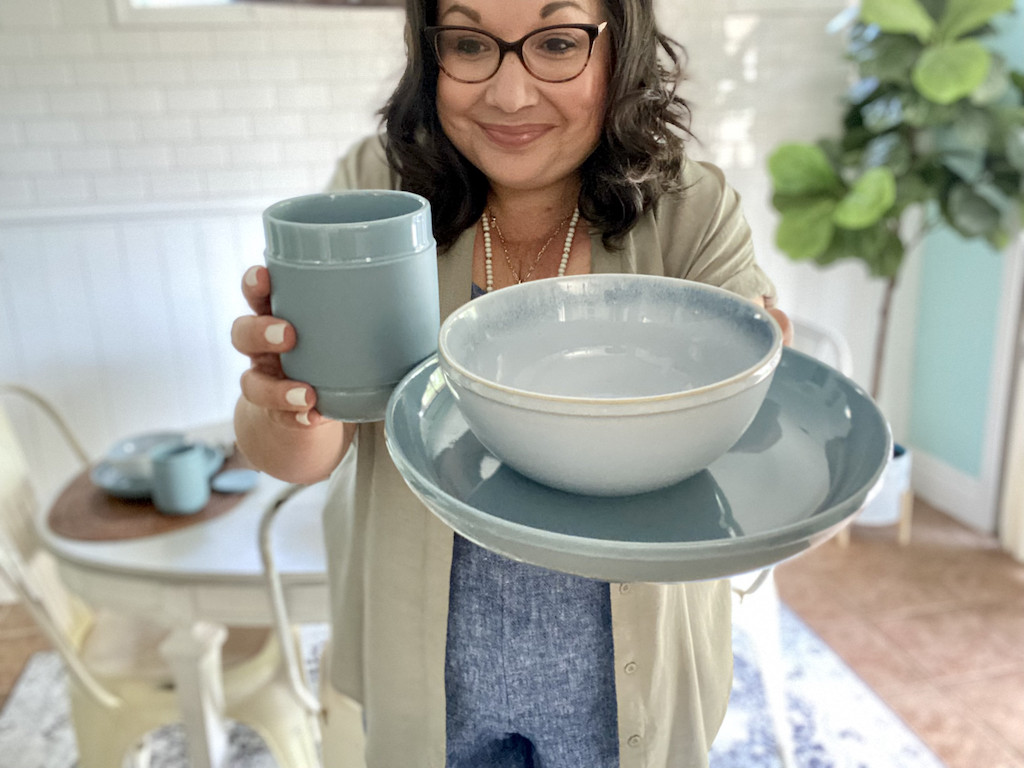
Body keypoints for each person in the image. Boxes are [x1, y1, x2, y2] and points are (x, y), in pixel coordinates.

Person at [231, 0, 791, 764]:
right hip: (424, 674)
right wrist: (285, 396)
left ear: (618, 47)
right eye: (468, 44)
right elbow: (304, 456)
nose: (510, 94)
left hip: (630, 684)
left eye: (557, 43)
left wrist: (748, 385)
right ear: (431, 55)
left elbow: (745, 448)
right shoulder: (378, 190)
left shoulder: (689, 210)